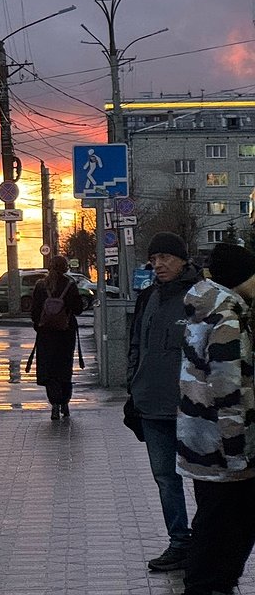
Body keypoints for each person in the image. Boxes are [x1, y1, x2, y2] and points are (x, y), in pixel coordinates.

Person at [177, 242, 255, 595]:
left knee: (212, 521)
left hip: (200, 440)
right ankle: (208, 585)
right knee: (225, 526)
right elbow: (227, 390)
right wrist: (237, 452)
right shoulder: (227, 319)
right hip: (223, 448)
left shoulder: (203, 310)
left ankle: (209, 583)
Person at [129, 231, 203, 572]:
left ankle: (206, 541)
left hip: (193, 408)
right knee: (165, 477)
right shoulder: (147, 298)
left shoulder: (201, 297)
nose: (158, 264)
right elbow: (135, 347)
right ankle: (180, 542)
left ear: (183, 260)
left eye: (166, 258)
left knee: (205, 476)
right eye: (154, 258)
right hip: (151, 405)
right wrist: (134, 387)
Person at [29, 255, 84, 420]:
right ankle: (65, 404)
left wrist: (40, 324)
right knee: (64, 368)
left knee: (50, 369)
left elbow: (34, 313)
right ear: (66, 268)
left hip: (46, 335)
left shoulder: (40, 286)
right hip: (66, 333)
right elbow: (78, 309)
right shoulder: (70, 285)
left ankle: (54, 405)